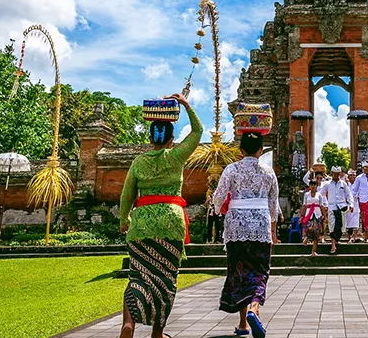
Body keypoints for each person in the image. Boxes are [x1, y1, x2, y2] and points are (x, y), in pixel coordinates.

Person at [119, 93, 203, 338]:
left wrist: (124, 219)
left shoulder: (138, 162)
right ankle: (157, 333)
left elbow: (126, 195)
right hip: (171, 223)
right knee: (165, 280)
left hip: (142, 223)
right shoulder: (176, 156)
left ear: (150, 137)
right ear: (172, 139)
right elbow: (197, 132)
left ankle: (129, 325)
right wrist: (186, 105)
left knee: (137, 276)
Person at [211, 132, 279, 338]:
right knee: (259, 271)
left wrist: (218, 208)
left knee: (239, 271)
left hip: (236, 225)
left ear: (241, 150)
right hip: (260, 224)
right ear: (261, 150)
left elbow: (219, 196)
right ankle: (253, 310)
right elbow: (273, 205)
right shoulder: (268, 172)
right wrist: (273, 233)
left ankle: (243, 324)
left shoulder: (231, 170)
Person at [318, 166, 353, 254]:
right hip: (331, 207)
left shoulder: (343, 184)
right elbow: (320, 194)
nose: (336, 176)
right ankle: (333, 245)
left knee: (341, 227)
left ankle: (336, 240)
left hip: (342, 207)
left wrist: (351, 204)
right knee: (332, 226)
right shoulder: (327, 184)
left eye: (338, 174)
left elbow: (349, 194)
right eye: (334, 174)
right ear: (332, 173)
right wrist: (318, 204)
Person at [301, 178, 326, 256]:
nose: (313, 186)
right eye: (311, 185)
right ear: (309, 186)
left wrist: (324, 216)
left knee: (316, 232)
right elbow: (304, 205)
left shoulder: (319, 195)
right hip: (309, 214)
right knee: (310, 227)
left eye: (314, 185)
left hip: (317, 213)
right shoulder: (306, 195)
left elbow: (321, 206)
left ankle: (313, 251)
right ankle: (307, 237)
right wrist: (301, 215)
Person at [345, 169, 361, 243]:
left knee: (355, 221)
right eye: (351, 176)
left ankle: (355, 236)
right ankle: (349, 237)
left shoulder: (358, 186)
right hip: (348, 205)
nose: (352, 177)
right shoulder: (346, 186)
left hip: (356, 204)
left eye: (354, 176)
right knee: (348, 221)